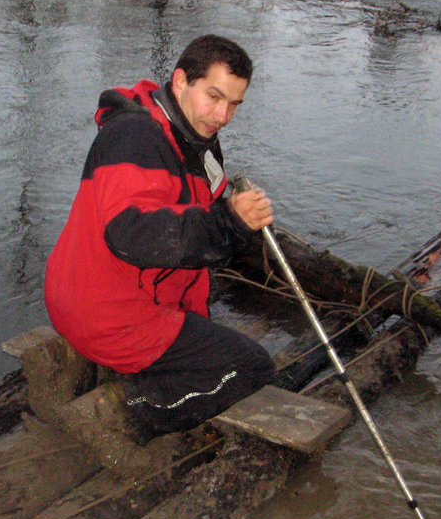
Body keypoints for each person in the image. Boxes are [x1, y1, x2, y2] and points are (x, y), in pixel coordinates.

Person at [38, 35, 275, 464]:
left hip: (92, 293)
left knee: (210, 339)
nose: (223, 115)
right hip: (107, 311)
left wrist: (230, 219)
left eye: (235, 104)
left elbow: (188, 224)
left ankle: (107, 374)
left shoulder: (188, 135)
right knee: (252, 367)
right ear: (181, 81)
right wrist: (227, 224)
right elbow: (132, 235)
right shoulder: (134, 137)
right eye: (215, 96)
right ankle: (118, 415)